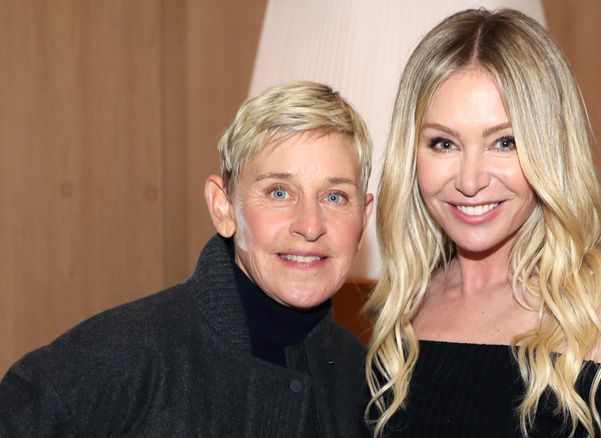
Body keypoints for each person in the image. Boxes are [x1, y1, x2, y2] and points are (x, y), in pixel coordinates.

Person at [363, 9, 601, 438]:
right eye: (443, 143)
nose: (470, 180)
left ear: (550, 149)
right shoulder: (404, 304)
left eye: (505, 142)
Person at [0, 81, 374, 437]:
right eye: (279, 192)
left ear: (364, 220)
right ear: (224, 208)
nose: (310, 226)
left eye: (335, 197)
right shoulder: (119, 358)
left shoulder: (363, 379)